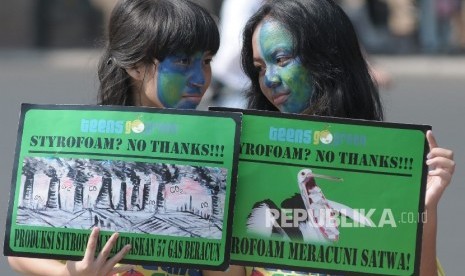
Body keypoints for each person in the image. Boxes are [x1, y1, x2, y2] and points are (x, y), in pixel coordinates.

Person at [236, 0, 455, 275]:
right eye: (258, 67)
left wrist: (423, 211)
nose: (268, 79)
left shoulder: (387, 173)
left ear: (326, 57)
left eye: (281, 60)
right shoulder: (248, 172)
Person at [8, 0, 221, 275]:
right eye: (182, 61)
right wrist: (68, 273)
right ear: (135, 66)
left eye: (205, 61)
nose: (199, 78)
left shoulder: (215, 148)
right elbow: (22, 248)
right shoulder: (78, 144)